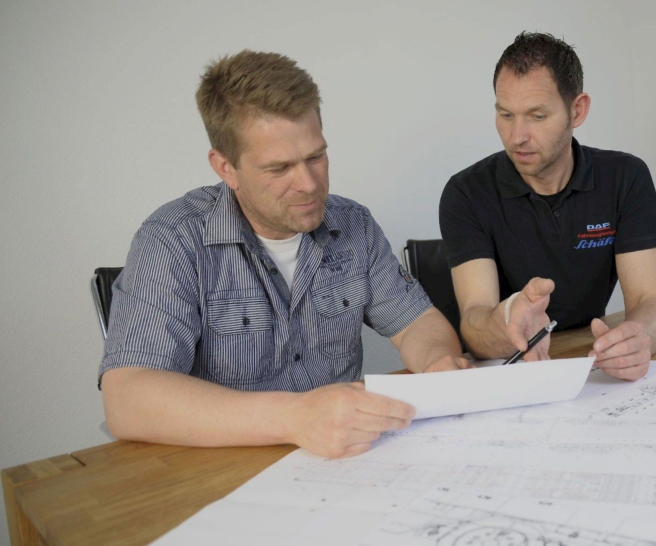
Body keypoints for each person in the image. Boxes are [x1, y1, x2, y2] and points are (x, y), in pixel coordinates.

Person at [100, 50, 470, 459]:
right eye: (278, 169)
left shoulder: (354, 224)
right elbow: (126, 398)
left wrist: (437, 361)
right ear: (225, 167)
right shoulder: (171, 240)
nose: (309, 184)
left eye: (316, 157)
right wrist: (295, 418)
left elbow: (417, 322)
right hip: (224, 469)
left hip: (343, 462)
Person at [440, 32, 656, 381]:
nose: (517, 136)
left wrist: (641, 338)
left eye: (536, 116)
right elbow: (474, 322)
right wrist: (508, 320)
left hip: (588, 364)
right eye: (506, 114)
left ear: (577, 110)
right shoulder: (466, 193)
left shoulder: (625, 177)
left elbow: (650, 299)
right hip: (509, 372)